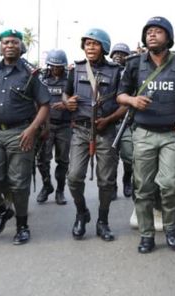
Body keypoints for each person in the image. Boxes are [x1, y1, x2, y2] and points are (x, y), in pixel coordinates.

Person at [117, 16, 175, 253]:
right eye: (149, 32)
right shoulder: (134, 64)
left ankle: (171, 226)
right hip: (143, 133)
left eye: (158, 32)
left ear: (169, 37)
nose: (152, 35)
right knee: (142, 187)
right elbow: (120, 95)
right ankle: (146, 234)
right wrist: (132, 99)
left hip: (172, 135)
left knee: (171, 185)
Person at [0, 29, 50, 245]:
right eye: (6, 42)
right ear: (0, 46)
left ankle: (22, 226)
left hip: (20, 132)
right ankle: (2, 211)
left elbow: (45, 105)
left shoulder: (30, 73)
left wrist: (32, 129)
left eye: (14, 42)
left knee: (18, 184)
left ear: (20, 46)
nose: (9, 45)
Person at [63, 28, 125, 242]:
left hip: (106, 131)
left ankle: (103, 221)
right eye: (87, 43)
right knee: (73, 177)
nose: (90, 47)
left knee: (106, 181)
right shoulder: (77, 69)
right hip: (80, 130)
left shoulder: (116, 71)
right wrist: (66, 101)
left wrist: (109, 119)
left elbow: (124, 103)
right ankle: (82, 213)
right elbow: (66, 92)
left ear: (104, 47)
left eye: (95, 44)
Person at [36, 49, 71, 205]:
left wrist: (66, 105)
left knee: (62, 161)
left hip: (64, 125)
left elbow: (79, 100)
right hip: (46, 126)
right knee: (42, 160)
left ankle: (60, 191)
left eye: (59, 67)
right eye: (53, 66)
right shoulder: (42, 79)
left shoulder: (70, 80)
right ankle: (47, 185)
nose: (56, 69)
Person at [109, 42, 134, 199]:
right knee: (110, 158)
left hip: (125, 122)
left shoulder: (131, 74)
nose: (118, 56)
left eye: (122, 54)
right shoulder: (105, 72)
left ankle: (127, 180)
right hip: (108, 122)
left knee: (129, 156)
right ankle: (111, 186)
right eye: (116, 53)